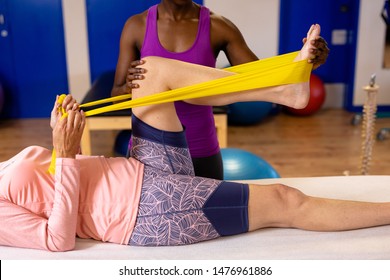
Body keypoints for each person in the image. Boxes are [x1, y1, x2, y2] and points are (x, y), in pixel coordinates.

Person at [4, 25, 387, 252]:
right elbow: (57, 239)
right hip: (144, 212)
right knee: (287, 201)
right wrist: (68, 154)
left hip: (139, 168)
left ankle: (283, 90)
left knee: (150, 70)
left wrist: (65, 140)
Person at [111, 0, 330, 179]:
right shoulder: (137, 26)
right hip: (150, 148)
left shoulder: (218, 26)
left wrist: (305, 63)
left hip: (201, 148)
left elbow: (260, 79)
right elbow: (116, 96)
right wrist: (130, 87)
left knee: (212, 232)